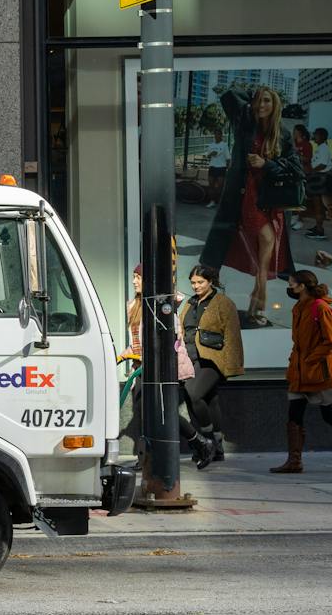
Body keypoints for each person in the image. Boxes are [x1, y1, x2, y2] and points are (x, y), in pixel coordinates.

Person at [199, 86, 297, 326]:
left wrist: (267, 164)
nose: (261, 105)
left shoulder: (283, 134)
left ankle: (257, 300)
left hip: (270, 199)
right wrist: (253, 92)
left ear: (275, 105)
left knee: (268, 244)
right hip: (245, 196)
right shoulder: (245, 122)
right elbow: (232, 95)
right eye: (257, 101)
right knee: (265, 239)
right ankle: (259, 292)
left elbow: (294, 168)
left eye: (266, 101)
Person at [122, 265, 214, 466]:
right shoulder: (133, 306)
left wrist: (144, 356)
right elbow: (137, 339)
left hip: (160, 368)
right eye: (133, 277)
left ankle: (199, 442)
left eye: (138, 277)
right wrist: (124, 354)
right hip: (141, 367)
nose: (134, 281)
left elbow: (167, 340)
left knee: (160, 411)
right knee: (143, 412)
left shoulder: (162, 308)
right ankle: (145, 457)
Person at [272, 269, 332, 473]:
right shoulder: (298, 308)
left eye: (292, 283)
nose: (289, 287)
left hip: (319, 373)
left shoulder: (320, 308)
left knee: (331, 416)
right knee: (294, 415)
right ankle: (294, 461)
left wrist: (310, 359)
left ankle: (294, 462)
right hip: (299, 372)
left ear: (302, 286)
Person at [179, 264, 244, 466]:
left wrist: (231, 364)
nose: (196, 286)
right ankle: (216, 446)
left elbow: (233, 335)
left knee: (194, 394)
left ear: (211, 282)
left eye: (200, 282)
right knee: (208, 399)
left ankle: (206, 440)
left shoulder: (223, 303)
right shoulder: (189, 304)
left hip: (213, 358)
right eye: (193, 282)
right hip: (190, 358)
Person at [311, 128, 332, 239]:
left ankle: (319, 230)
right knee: (317, 204)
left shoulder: (324, 148)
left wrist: (311, 172)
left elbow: (322, 165)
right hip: (318, 177)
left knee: (318, 205)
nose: (314, 136)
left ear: (322, 136)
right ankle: (317, 226)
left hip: (320, 178)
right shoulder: (320, 148)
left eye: (316, 135)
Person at [204, 127, 230, 209]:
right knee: (211, 186)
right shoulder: (211, 145)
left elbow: (228, 158)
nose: (216, 136)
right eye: (215, 134)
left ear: (221, 135)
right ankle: (212, 202)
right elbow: (207, 156)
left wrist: (227, 168)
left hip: (221, 168)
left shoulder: (224, 145)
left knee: (219, 187)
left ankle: (219, 203)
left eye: (218, 134)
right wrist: (211, 154)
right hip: (212, 167)